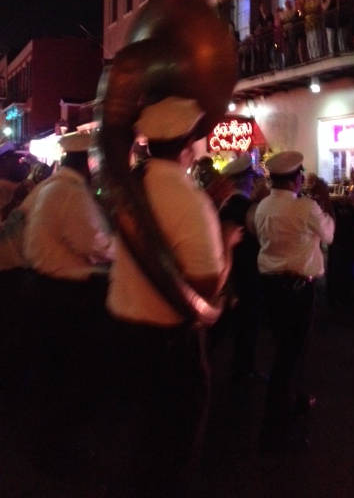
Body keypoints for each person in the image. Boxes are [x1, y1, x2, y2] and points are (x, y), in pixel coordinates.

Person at [106, 96, 242, 496]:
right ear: (187, 146)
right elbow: (206, 289)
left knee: (138, 445)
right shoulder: (189, 200)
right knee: (172, 452)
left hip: (125, 332)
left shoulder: (130, 188)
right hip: (169, 346)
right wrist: (227, 243)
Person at [21, 130, 114, 462]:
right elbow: (95, 245)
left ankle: (48, 443)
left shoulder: (53, 188)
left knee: (53, 372)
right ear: (88, 162)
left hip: (44, 288)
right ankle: (57, 450)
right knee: (68, 375)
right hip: (65, 296)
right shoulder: (72, 194)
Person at [254, 151, 335, 450]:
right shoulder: (306, 207)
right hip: (298, 288)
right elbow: (329, 235)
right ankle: (277, 421)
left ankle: (295, 400)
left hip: (271, 284)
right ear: (295, 179)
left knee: (284, 347)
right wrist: (323, 209)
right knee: (292, 353)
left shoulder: (263, 206)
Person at [219, 153, 263, 381]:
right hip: (248, 270)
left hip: (231, 270)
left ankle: (238, 365)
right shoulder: (248, 207)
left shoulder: (225, 205)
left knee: (237, 323)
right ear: (245, 180)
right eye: (251, 178)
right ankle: (244, 368)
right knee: (249, 323)